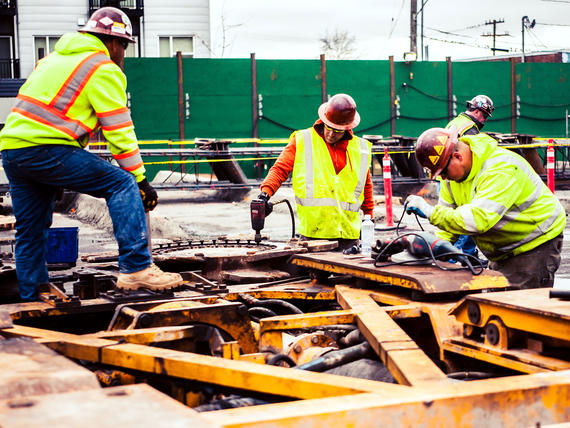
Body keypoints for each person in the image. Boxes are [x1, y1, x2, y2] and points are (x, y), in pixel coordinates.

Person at [0, 7, 182, 301]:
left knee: (30, 227)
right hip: (47, 148)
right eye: (124, 46)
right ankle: (136, 267)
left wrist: (53, 172)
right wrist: (139, 179)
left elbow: (54, 115)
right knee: (121, 183)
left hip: (13, 152)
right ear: (112, 42)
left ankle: (32, 294)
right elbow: (118, 129)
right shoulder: (102, 67)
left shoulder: (52, 60)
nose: (124, 54)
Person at [404, 126, 565, 289]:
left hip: (535, 242)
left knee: (518, 304)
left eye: (443, 172)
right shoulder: (451, 179)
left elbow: (477, 220)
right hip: (502, 249)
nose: (443, 178)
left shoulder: (499, 169)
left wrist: (430, 211)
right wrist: (435, 250)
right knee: (497, 297)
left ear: (458, 156)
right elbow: (447, 225)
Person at [255, 93, 373, 251]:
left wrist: (369, 217)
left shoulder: (361, 149)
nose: (331, 134)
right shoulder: (303, 140)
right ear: (323, 120)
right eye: (328, 128)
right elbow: (280, 169)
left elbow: (366, 185)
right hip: (313, 236)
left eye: (337, 131)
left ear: (348, 128)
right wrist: (265, 194)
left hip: (349, 237)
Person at [444, 94, 495, 257]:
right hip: (460, 178)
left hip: (448, 177)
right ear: (479, 112)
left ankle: (464, 254)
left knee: (453, 218)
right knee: (468, 219)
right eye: (485, 116)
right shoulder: (469, 128)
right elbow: (474, 156)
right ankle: (462, 256)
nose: (485, 120)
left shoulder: (456, 122)